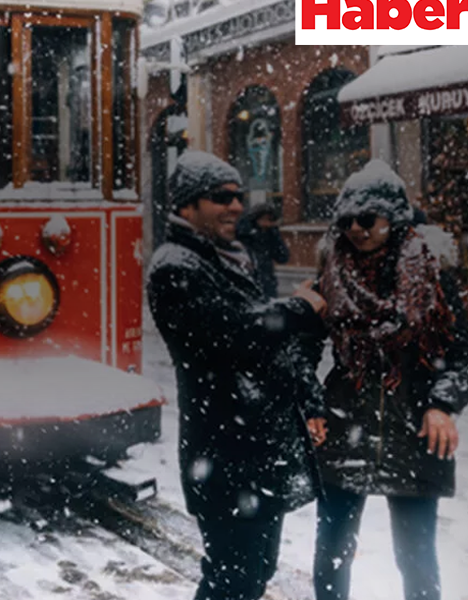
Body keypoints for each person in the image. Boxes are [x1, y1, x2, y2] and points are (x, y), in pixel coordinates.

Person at [146, 152, 327, 600]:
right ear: (187, 206)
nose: (235, 206)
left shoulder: (231, 257)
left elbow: (269, 345)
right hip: (224, 454)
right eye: (220, 197)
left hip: (256, 451)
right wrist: (299, 309)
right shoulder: (175, 265)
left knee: (254, 573)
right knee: (232, 579)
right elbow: (234, 333)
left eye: (238, 196)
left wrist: (310, 399)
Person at [308, 160, 468, 600]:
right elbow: (300, 352)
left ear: (394, 217)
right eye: (347, 221)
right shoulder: (330, 273)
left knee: (417, 558)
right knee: (332, 553)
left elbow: (464, 354)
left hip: (412, 435)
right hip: (345, 430)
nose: (357, 230)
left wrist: (442, 404)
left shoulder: (432, 276)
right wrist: (310, 406)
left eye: (367, 219)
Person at [236, 202, 290, 300]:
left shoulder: (270, 235)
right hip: (248, 282)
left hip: (267, 283)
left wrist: (275, 236)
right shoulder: (244, 234)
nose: (266, 223)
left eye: (270, 220)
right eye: (264, 219)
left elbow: (283, 257)